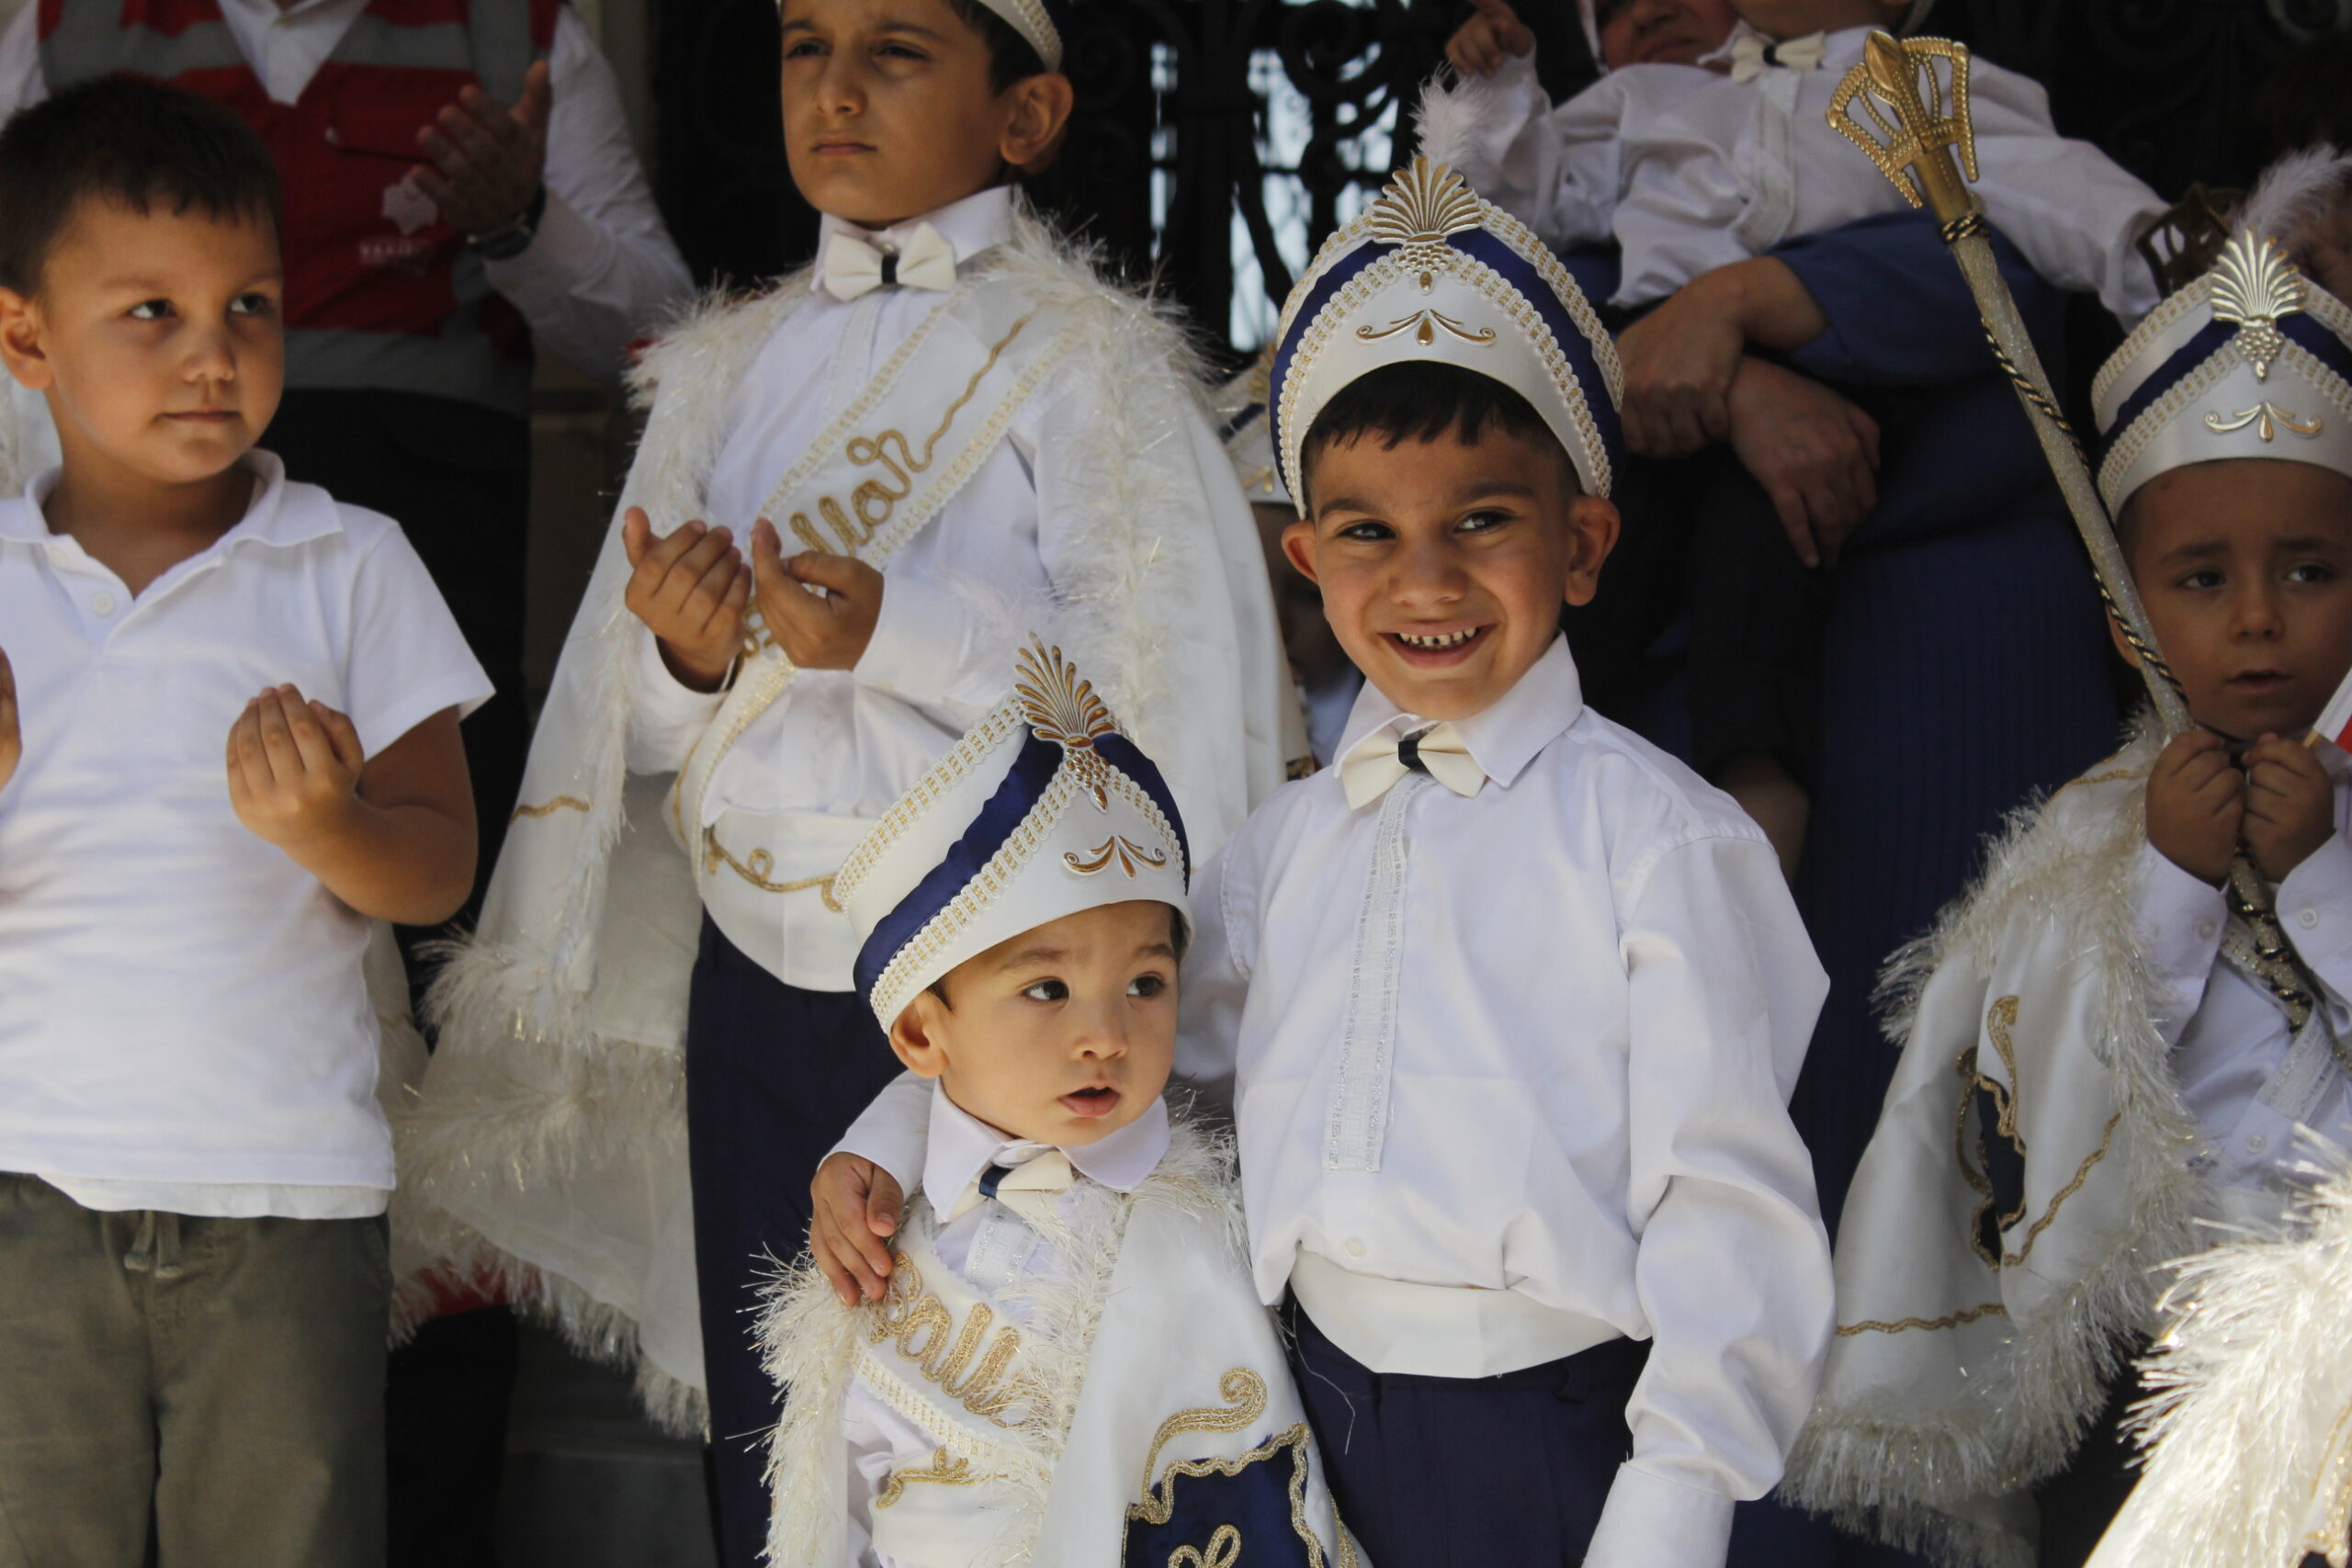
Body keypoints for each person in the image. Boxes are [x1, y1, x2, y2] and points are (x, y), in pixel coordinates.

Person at [814, 156, 1837, 1568]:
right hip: (1298, 1417)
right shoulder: (1277, 849)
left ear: (1585, 541)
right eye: (1368, 533)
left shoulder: (1663, 844)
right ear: (1304, 554)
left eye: (1481, 519)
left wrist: (1668, 1506)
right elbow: (1121, 1051)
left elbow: (1731, 1210)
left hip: (1557, 1440)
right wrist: (882, 1140)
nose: (1423, 581)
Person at [395, 0, 1295, 1558]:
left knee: (1002, 1416)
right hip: (759, 976)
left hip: (1010, 992)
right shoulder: (726, 367)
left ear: (1024, 117)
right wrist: (679, 662)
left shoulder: (1083, 360)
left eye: (898, 50)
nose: (837, 87)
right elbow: (666, 747)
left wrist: (901, 630)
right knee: (785, 1432)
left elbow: (1136, 691)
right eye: (810, 45)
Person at [1782, 157, 2352, 1566]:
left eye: (2312, 570)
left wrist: (2321, 878)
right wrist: (2166, 878)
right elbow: (2033, 1107)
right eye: (2204, 578)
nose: (2260, 623)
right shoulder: (2092, 837)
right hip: (2149, 1370)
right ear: (2125, 610)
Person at [0, 78, 491, 1567]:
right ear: (25, 337)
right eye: (149, 311)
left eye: (252, 306)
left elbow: (438, 867)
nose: (214, 355)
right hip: (27, 1191)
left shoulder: (352, 563)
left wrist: (331, 824)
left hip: (290, 1200)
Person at [760, 638, 1361, 1567]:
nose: (1106, 1036)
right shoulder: (881, 1221)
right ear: (922, 1037)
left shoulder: (1189, 1244)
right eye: (1046, 990)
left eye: (1147, 984)